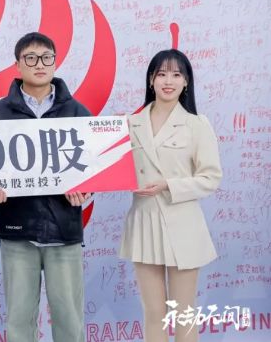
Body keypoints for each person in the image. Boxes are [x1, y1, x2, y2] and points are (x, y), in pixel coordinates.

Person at [0, 32, 91, 342]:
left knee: (69, 318)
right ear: (18, 65)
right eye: (30, 58)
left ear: (55, 63)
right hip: (17, 229)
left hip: (64, 229)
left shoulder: (77, 112)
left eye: (46, 57)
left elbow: (95, 166)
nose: (39, 64)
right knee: (19, 320)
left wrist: (85, 190)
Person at [119, 49, 222, 342]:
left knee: (184, 312)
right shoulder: (129, 124)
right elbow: (113, 169)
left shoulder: (197, 124)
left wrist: (168, 185)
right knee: (154, 313)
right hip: (144, 222)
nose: (168, 81)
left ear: (186, 81)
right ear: (151, 79)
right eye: (161, 74)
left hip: (183, 225)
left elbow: (211, 178)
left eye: (176, 74)